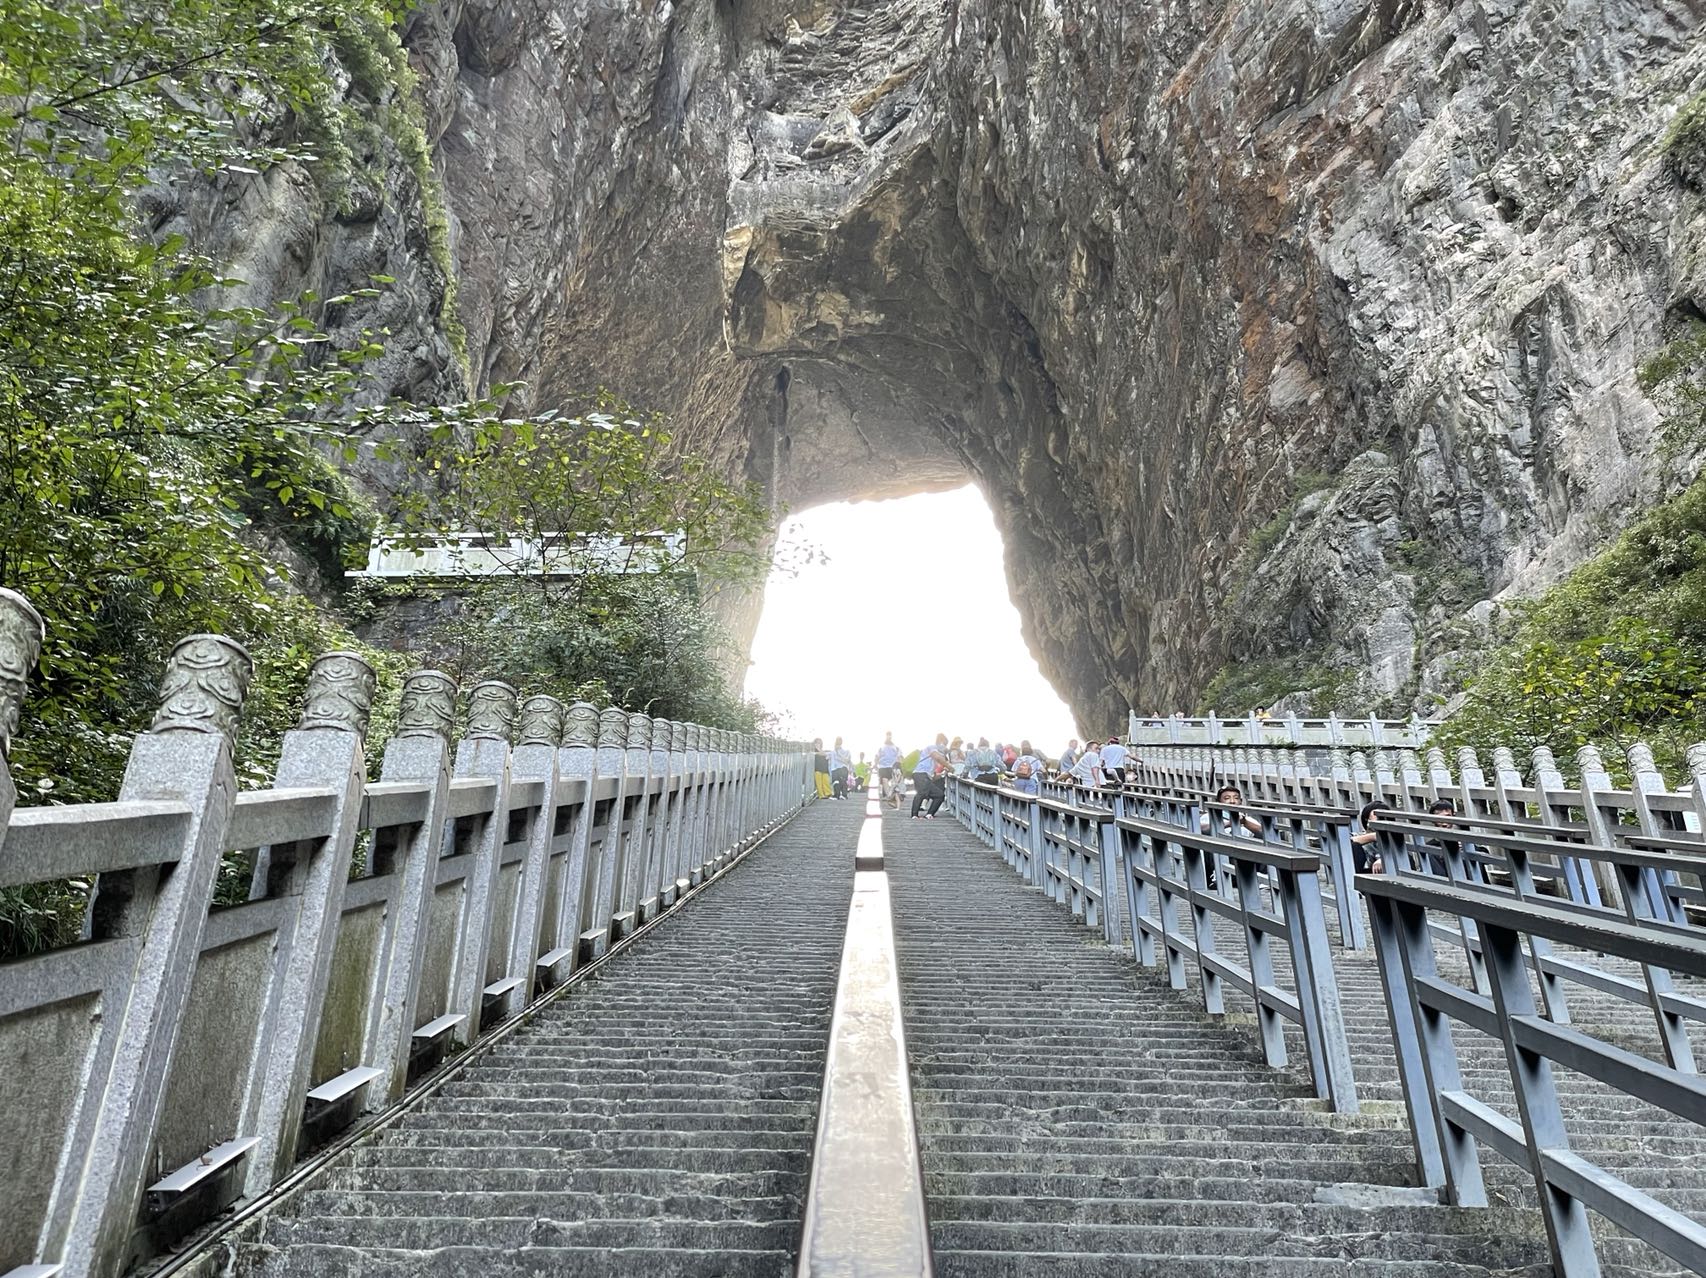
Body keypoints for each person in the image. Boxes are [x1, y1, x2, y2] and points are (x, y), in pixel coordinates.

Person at [911, 734, 950, 819]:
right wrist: (950, 767)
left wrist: (943, 773)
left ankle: (929, 814)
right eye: (944, 744)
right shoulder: (931, 747)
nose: (944, 747)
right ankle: (914, 815)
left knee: (939, 795)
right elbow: (937, 756)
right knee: (921, 793)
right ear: (940, 741)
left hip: (925, 775)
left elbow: (934, 775)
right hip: (920, 773)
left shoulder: (934, 759)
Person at [1350, 799, 1392, 874]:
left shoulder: (1392, 838)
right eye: (1376, 816)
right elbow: (1342, 845)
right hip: (1363, 872)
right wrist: (1373, 836)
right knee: (1354, 846)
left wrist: (1383, 859)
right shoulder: (1359, 835)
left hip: (1388, 872)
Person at [874, 733, 902, 804]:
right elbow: (877, 757)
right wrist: (875, 764)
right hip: (883, 766)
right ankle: (887, 795)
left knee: (893, 782)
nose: (888, 738)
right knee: (884, 780)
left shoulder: (896, 748)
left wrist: (899, 766)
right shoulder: (881, 748)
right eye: (887, 737)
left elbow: (899, 757)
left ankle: (892, 795)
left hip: (892, 766)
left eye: (889, 737)